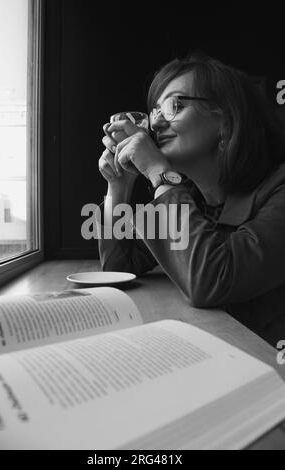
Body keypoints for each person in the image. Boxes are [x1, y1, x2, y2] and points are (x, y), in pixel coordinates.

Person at [98, 52, 285, 347]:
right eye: (155, 110)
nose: (156, 124)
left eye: (175, 105)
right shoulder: (189, 199)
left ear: (226, 118)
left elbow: (211, 281)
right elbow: (118, 268)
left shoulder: (279, 190)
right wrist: (119, 186)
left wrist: (159, 172)